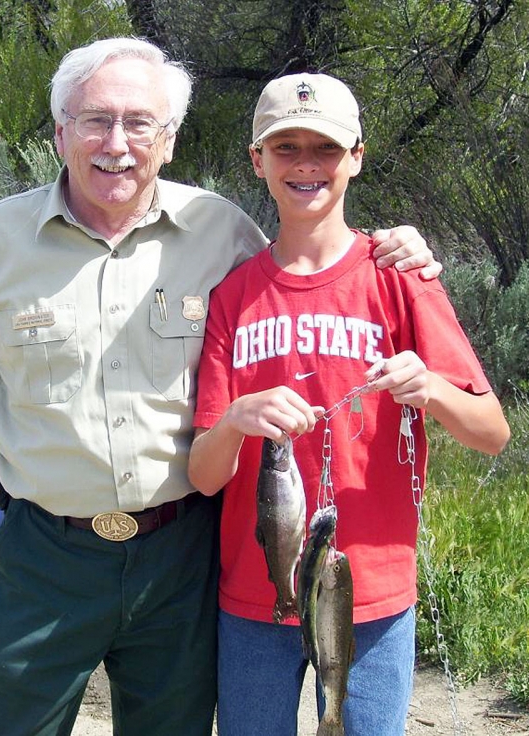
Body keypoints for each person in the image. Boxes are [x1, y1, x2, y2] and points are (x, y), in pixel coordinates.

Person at [0, 37, 439, 736]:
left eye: (140, 123)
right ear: (58, 134)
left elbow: (303, 284)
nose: (116, 143)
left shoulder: (220, 231)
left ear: (167, 141)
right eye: (94, 120)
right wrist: (39, 448)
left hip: (181, 555)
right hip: (46, 553)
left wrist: (394, 246)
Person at [188, 72, 510, 736]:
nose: (306, 165)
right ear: (257, 160)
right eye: (286, 148)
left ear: (357, 157)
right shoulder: (233, 296)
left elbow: (492, 433)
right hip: (259, 594)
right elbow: (203, 474)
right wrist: (235, 420)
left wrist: (436, 390)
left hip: (371, 592)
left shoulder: (401, 279)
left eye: (326, 149)